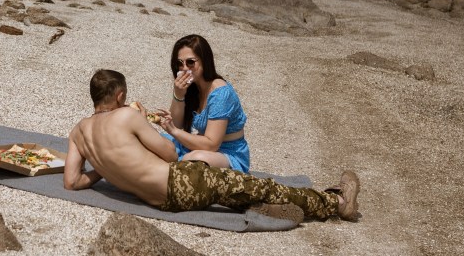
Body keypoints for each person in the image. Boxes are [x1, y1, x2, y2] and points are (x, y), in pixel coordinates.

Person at [64, 69, 359, 222]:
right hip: (180, 183)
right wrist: (141, 121)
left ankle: (258, 203)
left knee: (236, 188)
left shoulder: (79, 132)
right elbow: (169, 155)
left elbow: (72, 182)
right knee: (262, 186)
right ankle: (337, 204)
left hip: (156, 201)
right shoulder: (127, 115)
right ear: (120, 96)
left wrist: (101, 165)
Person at [160, 34, 251, 172]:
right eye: (180, 63)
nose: (184, 68)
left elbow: (211, 144)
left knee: (192, 159)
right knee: (155, 140)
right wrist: (178, 95)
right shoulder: (193, 88)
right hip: (200, 145)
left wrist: (173, 131)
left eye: (190, 62)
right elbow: (178, 124)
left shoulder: (220, 94)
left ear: (204, 61)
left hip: (228, 153)